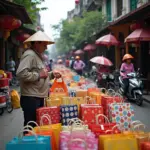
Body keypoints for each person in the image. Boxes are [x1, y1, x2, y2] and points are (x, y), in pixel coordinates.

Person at [16, 31, 61, 128]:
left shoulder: (37, 56)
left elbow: (42, 75)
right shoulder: (30, 55)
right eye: (44, 44)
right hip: (31, 98)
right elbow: (21, 74)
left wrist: (52, 75)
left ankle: (33, 142)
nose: (46, 47)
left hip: (37, 96)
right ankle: (29, 143)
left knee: (36, 126)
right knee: (31, 126)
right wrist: (38, 75)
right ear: (37, 43)